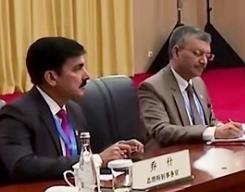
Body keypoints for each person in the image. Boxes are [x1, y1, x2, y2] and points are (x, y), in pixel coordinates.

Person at [0, 37, 142, 183]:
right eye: (77, 69)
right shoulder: (17, 114)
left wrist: (118, 153)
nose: (87, 75)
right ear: (51, 77)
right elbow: (21, 166)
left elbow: (83, 156)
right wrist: (96, 159)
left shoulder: (74, 109)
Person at [138, 25, 243, 148]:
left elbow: (210, 121)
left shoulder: (198, 82)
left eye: (207, 56)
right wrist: (212, 132)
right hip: (174, 155)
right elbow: (162, 131)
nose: (204, 61)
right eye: (197, 54)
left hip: (204, 154)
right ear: (176, 52)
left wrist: (223, 128)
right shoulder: (152, 88)